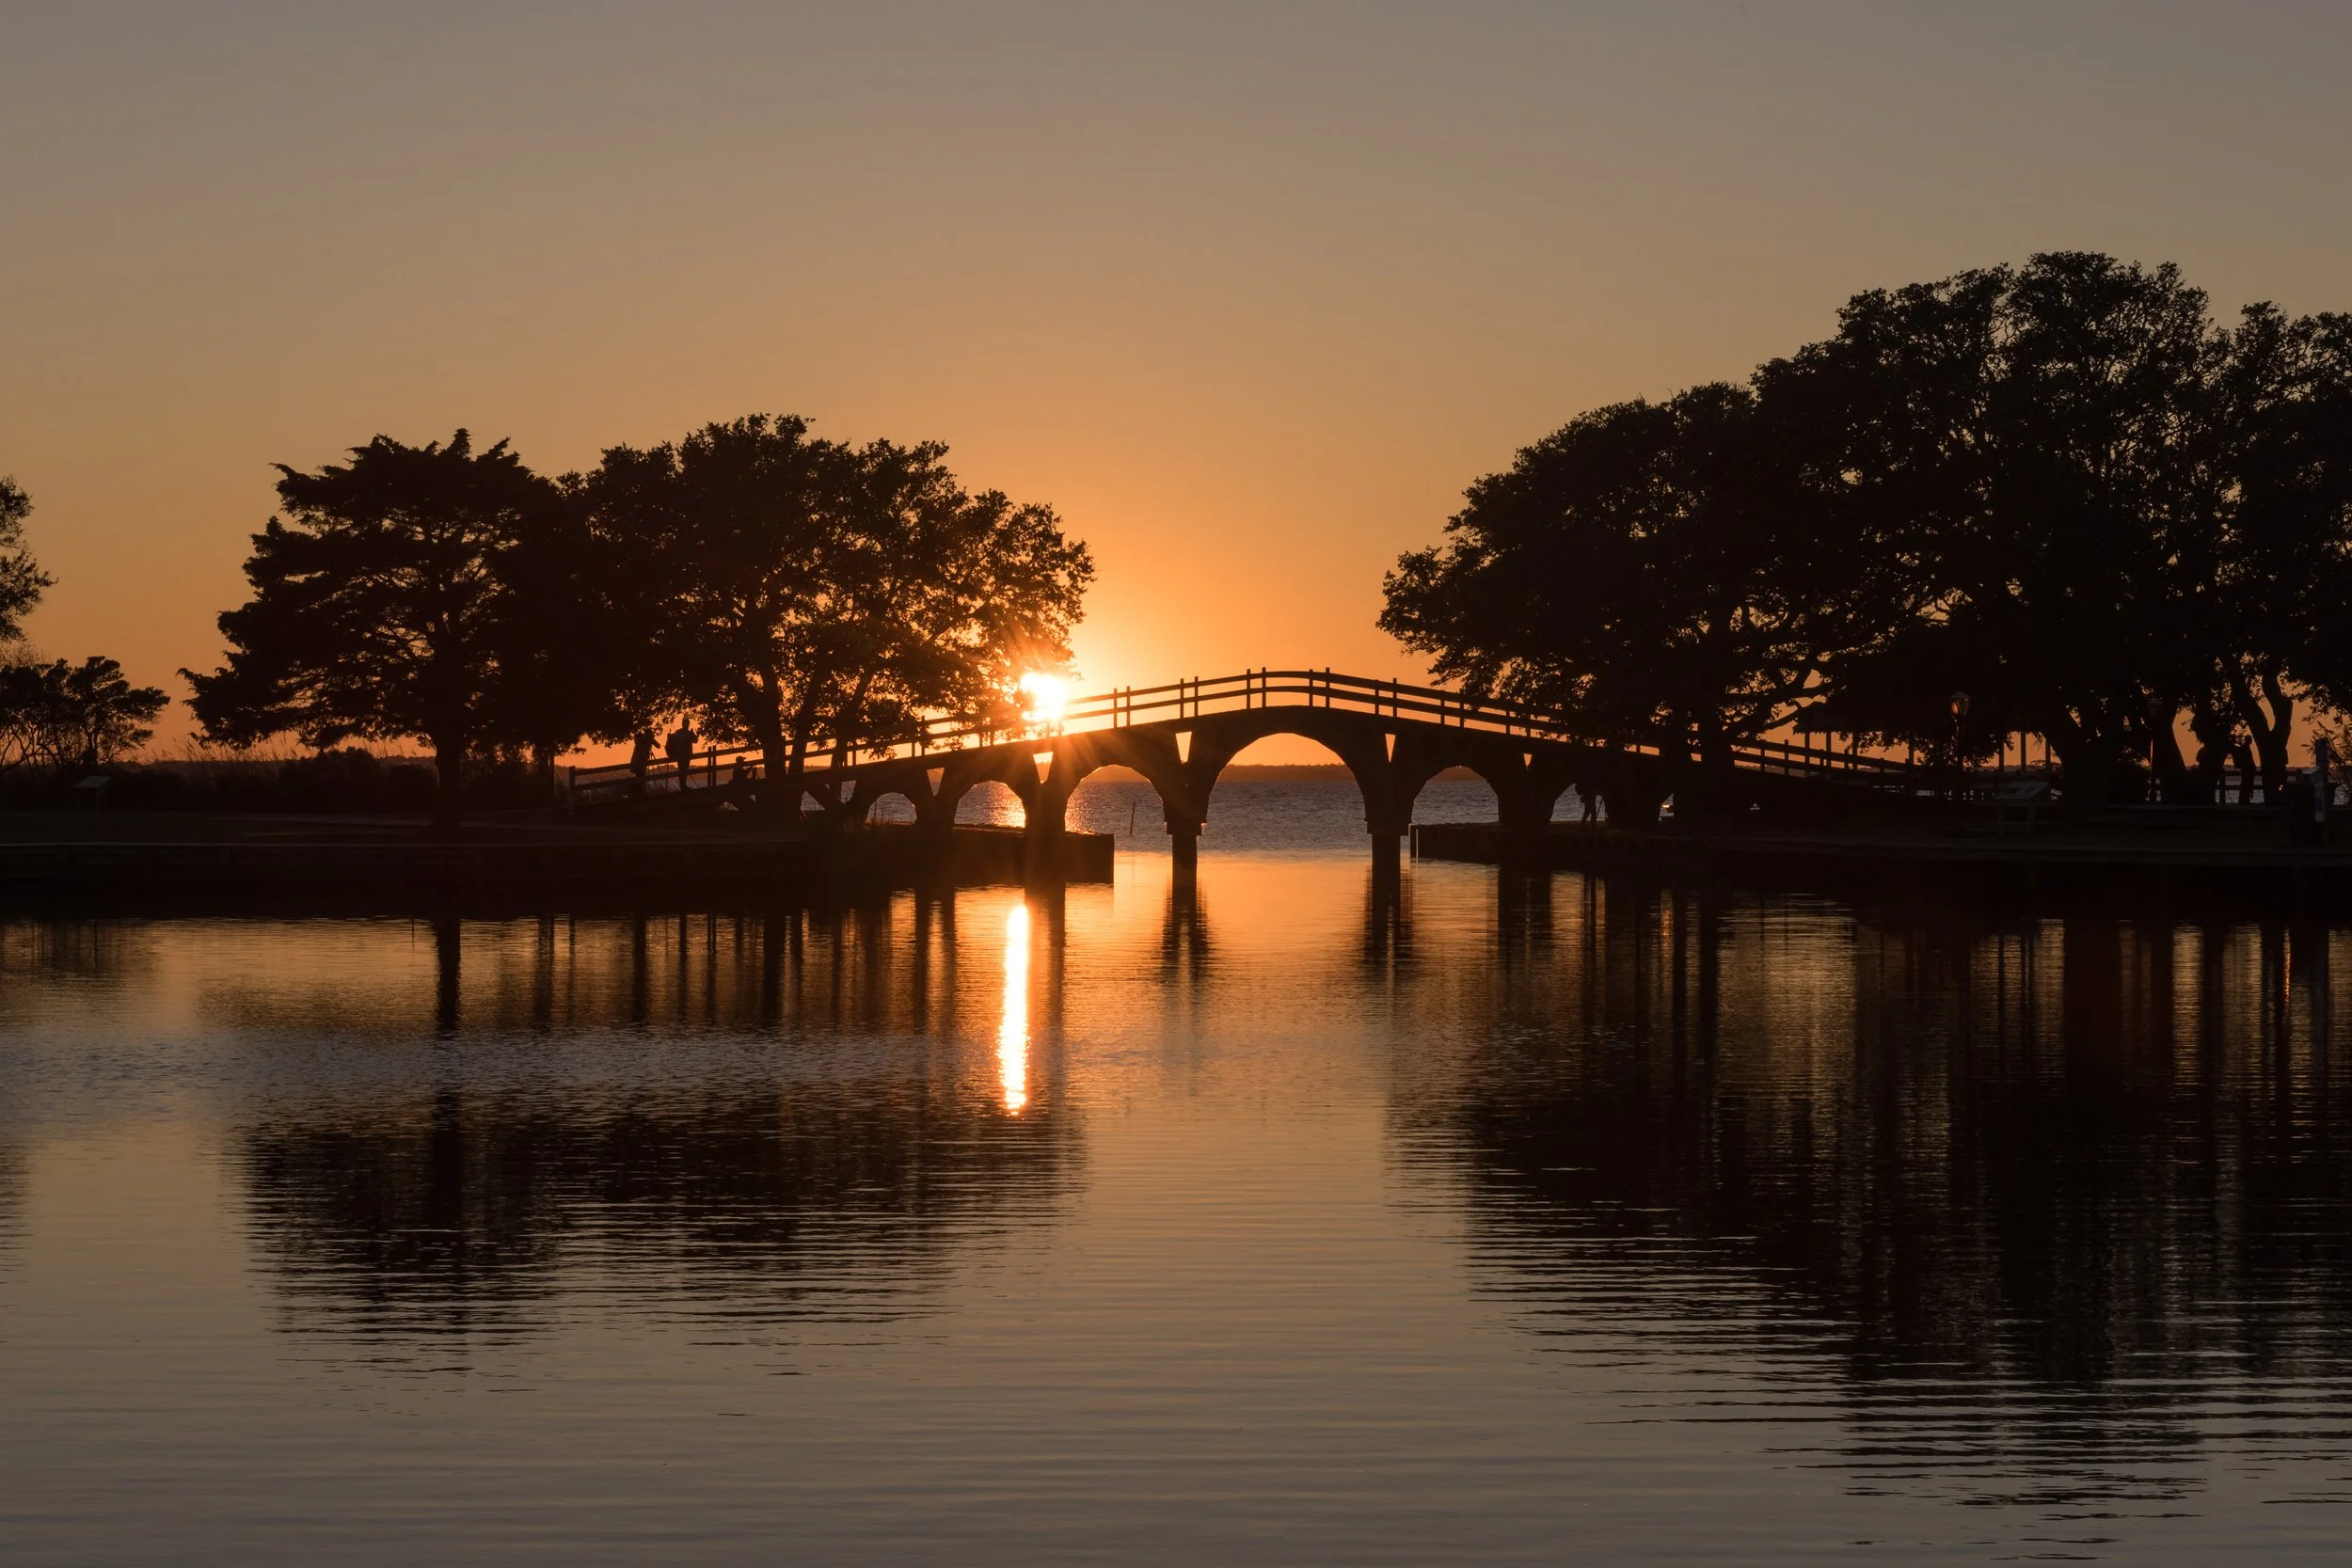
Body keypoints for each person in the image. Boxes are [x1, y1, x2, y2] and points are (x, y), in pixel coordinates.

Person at [664, 722, 696, 787]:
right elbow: (695, 741)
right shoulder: (689, 733)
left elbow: (672, 738)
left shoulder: (678, 732)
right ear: (687, 724)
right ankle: (683, 785)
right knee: (684, 770)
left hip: (680, 755)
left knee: (682, 770)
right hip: (686, 755)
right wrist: (696, 734)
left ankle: (683, 785)